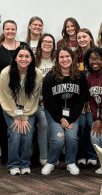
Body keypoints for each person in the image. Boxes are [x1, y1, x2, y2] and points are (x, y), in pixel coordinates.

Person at [0, 20, 27, 165]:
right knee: (4, 125)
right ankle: (7, 157)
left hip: (22, 93)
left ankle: (21, 156)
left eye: (13, 29)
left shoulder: (23, 46)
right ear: (3, 31)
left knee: (21, 124)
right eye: (7, 29)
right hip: (2, 93)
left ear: (16, 30)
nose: (10, 31)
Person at [41, 46, 88, 175]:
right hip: (54, 114)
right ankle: (51, 162)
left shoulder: (80, 77)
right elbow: (49, 102)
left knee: (72, 137)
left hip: (73, 115)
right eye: (61, 57)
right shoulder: (50, 77)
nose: (65, 59)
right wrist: (61, 119)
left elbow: (80, 101)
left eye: (67, 56)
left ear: (72, 58)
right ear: (57, 60)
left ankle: (70, 162)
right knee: (58, 138)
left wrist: (70, 118)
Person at [0, 44, 42, 175]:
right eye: (20, 56)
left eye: (27, 56)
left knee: (28, 134)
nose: (24, 59)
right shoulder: (6, 73)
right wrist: (17, 117)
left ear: (31, 58)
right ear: (15, 58)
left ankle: (24, 163)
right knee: (15, 134)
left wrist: (25, 116)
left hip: (28, 108)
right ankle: (13, 164)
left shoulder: (37, 73)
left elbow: (33, 98)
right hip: (10, 107)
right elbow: (6, 98)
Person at [75, 29, 98, 166]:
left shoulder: (97, 54)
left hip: (94, 98)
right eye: (79, 37)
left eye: (84, 37)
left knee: (91, 124)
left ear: (90, 38)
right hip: (79, 99)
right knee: (81, 125)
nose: (82, 39)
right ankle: (81, 154)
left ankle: (92, 154)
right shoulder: (75, 55)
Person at [34, 33, 56, 166]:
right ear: (40, 44)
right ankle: (44, 155)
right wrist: (42, 99)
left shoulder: (57, 60)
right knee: (45, 124)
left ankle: (55, 154)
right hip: (38, 102)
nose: (47, 44)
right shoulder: (34, 60)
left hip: (54, 102)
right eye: (45, 41)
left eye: (50, 42)